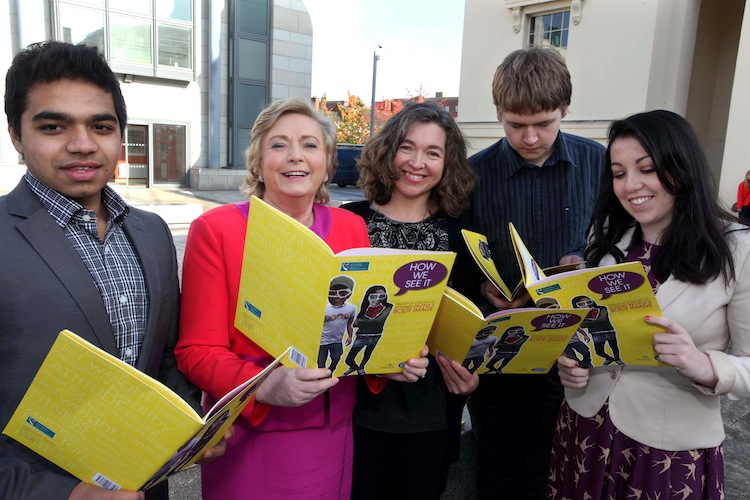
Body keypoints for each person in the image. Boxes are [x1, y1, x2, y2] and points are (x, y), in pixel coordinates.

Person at [0, 41, 224, 500]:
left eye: (100, 126)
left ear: (120, 135)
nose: (82, 144)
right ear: (16, 136)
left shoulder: (151, 232)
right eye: (53, 125)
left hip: (147, 484)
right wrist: (64, 494)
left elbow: (163, 358)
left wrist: (188, 431)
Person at [173, 97, 428, 500]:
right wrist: (265, 386)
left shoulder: (351, 227)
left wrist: (387, 360)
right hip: (251, 434)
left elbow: (352, 327)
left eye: (310, 145)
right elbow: (196, 350)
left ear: (327, 162)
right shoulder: (216, 230)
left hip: (333, 432)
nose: (296, 156)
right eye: (279, 145)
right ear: (257, 161)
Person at [550, 109, 750, 498]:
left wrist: (704, 365)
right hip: (585, 429)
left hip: (669, 451)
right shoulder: (609, 234)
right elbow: (591, 330)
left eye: (647, 168)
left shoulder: (737, 248)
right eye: (619, 173)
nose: (631, 185)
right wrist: (572, 363)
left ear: (680, 166)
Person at [465, 46, 606, 500]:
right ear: (498, 113)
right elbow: (460, 255)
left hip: (574, 349)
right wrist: (481, 285)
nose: (529, 137)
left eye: (543, 124)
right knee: (495, 467)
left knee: (560, 468)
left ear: (565, 109)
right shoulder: (472, 175)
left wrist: (588, 266)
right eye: (515, 124)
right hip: (500, 350)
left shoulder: (599, 164)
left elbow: (621, 245)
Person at [342, 100, 479, 499]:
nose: (417, 162)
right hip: (355, 414)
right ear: (388, 150)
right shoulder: (351, 222)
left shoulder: (463, 234)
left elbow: (472, 321)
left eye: (432, 152)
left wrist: (473, 376)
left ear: (446, 163)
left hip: (430, 417)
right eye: (407, 147)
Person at [342, 284, 394, 375]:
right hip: (362, 335)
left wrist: (359, 322)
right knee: (349, 359)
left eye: (382, 296)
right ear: (368, 296)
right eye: (374, 296)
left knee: (368, 353)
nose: (378, 299)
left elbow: (378, 320)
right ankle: (354, 367)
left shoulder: (388, 306)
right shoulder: (364, 307)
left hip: (376, 335)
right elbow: (354, 323)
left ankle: (361, 368)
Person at [319, 275, 357, 372]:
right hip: (322, 341)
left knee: (336, 358)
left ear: (348, 295)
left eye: (342, 293)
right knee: (320, 362)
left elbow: (350, 323)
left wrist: (350, 336)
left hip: (337, 341)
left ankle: (331, 370)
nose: (337, 296)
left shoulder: (351, 308)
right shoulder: (323, 307)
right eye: (333, 292)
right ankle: (322, 376)